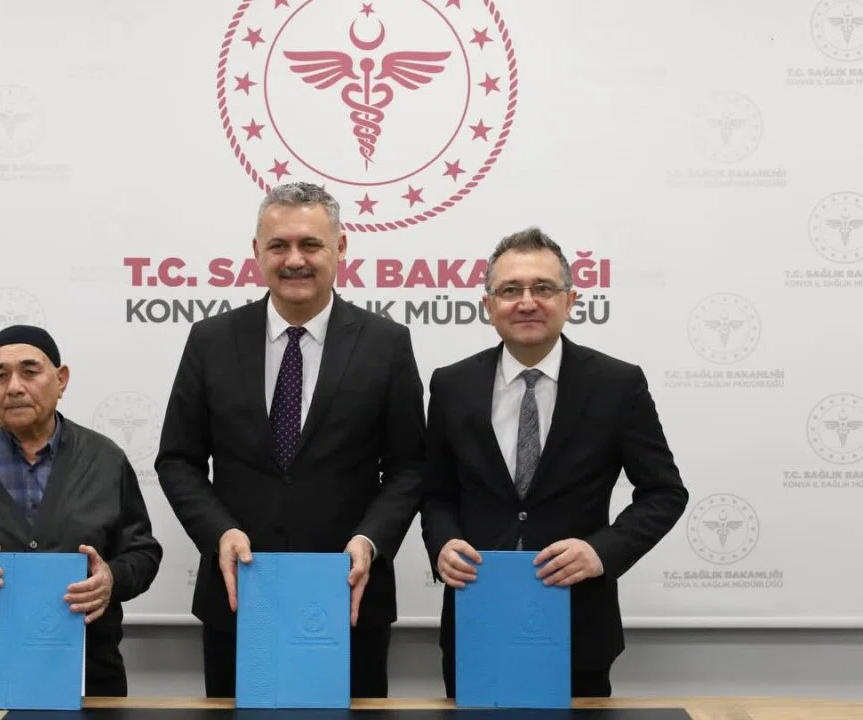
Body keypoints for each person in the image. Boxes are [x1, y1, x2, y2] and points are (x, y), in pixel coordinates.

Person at [155, 182, 426, 698]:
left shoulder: (386, 344)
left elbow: (410, 466)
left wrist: (370, 540)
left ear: (340, 248)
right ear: (256, 251)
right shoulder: (211, 340)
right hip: (240, 597)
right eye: (278, 245)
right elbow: (177, 460)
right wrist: (219, 532)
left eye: (310, 244)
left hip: (349, 599)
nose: (294, 260)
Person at [419, 227, 688, 698]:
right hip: (476, 617)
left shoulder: (617, 384)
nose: (527, 302)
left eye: (543, 288)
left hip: (578, 622)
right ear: (488, 305)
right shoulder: (451, 384)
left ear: (570, 300)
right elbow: (435, 493)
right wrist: (442, 544)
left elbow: (665, 493)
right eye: (510, 290)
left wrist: (602, 551)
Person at [0, 324, 163, 696]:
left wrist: (111, 579)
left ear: (61, 379)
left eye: (29, 371)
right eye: (0, 376)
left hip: (88, 680)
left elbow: (143, 552)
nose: (14, 387)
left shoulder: (104, 458)